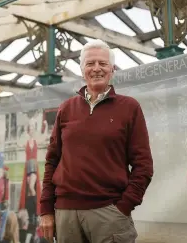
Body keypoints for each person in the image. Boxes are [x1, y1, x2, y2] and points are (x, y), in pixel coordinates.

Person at [39, 39, 154, 243]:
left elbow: (143, 165)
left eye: (102, 63)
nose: (96, 69)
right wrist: (46, 210)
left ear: (112, 69)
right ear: (82, 69)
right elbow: (52, 161)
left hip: (109, 213)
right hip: (66, 214)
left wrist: (123, 207)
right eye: (90, 64)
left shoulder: (129, 107)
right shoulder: (66, 109)